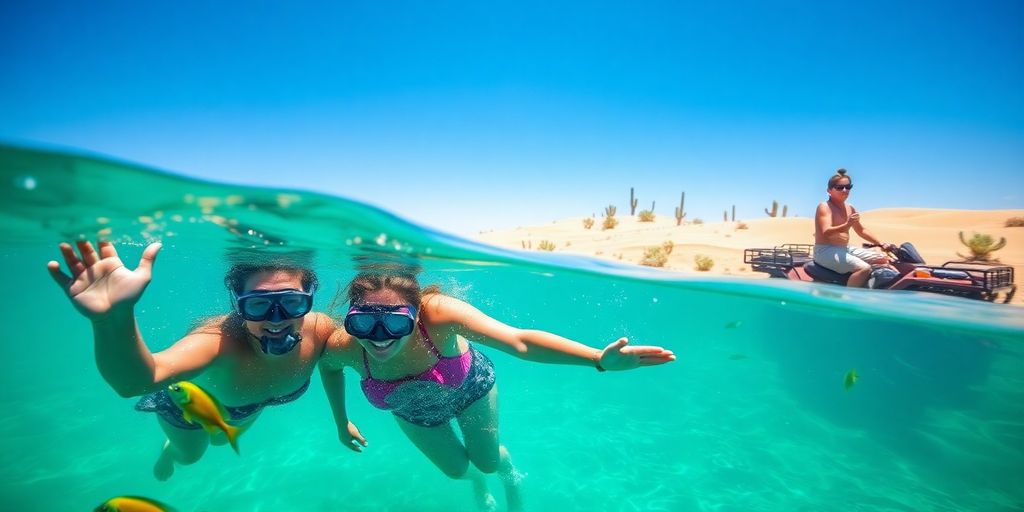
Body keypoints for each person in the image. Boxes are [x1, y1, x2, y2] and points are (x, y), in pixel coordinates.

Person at [318, 271, 676, 511]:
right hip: (413, 412)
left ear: (415, 314)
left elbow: (519, 341)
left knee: (488, 462)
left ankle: (508, 473)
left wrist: (598, 359)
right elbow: (328, 369)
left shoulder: (439, 315)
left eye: (396, 322)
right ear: (350, 318)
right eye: (363, 322)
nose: (379, 337)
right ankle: (478, 487)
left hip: (469, 388)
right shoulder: (344, 346)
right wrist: (340, 422)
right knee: (457, 471)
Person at [47, 240, 348, 480]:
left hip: (247, 405)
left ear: (309, 299)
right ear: (237, 305)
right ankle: (170, 451)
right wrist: (113, 318)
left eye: (292, 302)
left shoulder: (320, 330)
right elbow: (134, 383)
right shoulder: (217, 343)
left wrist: (341, 421)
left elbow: (334, 365)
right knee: (190, 457)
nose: (277, 319)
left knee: (220, 440)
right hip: (183, 406)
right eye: (258, 305)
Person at [813, 169, 895, 287]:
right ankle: (848, 299)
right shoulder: (824, 206)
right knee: (864, 268)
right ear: (829, 190)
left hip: (844, 248)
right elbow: (826, 232)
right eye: (839, 187)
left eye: (848, 187)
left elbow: (861, 230)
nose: (845, 190)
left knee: (883, 259)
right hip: (825, 251)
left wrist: (880, 244)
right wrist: (847, 225)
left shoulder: (850, 208)